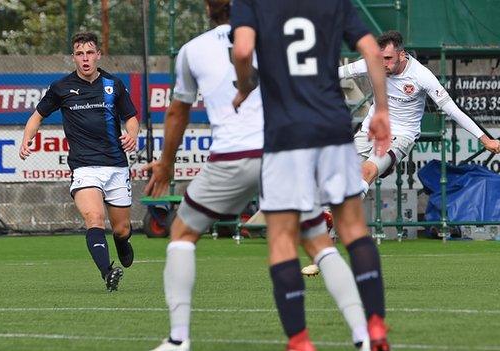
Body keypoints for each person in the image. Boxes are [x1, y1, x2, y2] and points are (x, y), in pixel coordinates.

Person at [144, 1, 372, 350]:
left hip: (232, 158)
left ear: (208, 7)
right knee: (318, 243)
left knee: (181, 233)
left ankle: (178, 339)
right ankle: (362, 334)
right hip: (282, 152)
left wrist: (166, 162)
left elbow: (177, 113)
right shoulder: (274, 38)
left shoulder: (191, 51)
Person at [231, 1, 392, 350]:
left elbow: (243, 50)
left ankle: (300, 340)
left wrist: (244, 85)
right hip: (332, 127)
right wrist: (381, 110)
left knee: (282, 240)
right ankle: (376, 323)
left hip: (285, 135)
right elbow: (371, 51)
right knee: (352, 228)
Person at [19, 32, 139, 292]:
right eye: (79, 53)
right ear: (73, 57)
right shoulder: (61, 88)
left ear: (98, 55)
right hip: (84, 167)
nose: (85, 58)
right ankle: (108, 272)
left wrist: (132, 134)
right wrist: (27, 140)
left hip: (116, 166)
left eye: (89, 53)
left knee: (121, 229)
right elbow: (36, 117)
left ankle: (122, 241)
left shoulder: (114, 85)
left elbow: (131, 118)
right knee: (94, 218)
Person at [340, 30, 500, 198]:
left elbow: (452, 110)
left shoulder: (421, 75)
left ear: (401, 55)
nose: (383, 63)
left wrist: (485, 139)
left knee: (367, 170)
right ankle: (329, 217)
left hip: (401, 136)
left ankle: (346, 217)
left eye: (388, 58)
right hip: (370, 130)